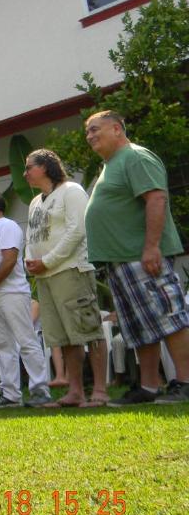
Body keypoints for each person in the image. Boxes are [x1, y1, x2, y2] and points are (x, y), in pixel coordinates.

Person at [83, 111, 189, 404]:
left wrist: (152, 247)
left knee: (170, 318)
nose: (90, 136)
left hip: (142, 256)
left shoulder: (136, 157)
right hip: (122, 261)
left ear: (117, 128)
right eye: (87, 132)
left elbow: (156, 198)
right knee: (141, 326)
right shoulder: (111, 164)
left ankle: (185, 381)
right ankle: (149, 388)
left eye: (95, 129)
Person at [23, 149, 108, 408]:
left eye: (29, 167)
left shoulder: (71, 191)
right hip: (46, 277)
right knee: (64, 337)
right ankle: (75, 392)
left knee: (88, 330)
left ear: (46, 167)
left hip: (71, 271)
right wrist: (30, 261)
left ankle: (100, 391)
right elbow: (30, 235)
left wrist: (47, 260)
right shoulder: (36, 201)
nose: (25, 173)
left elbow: (77, 231)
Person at [0, 191, 51, 408]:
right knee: (1, 343)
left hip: (11, 292)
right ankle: (10, 394)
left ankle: (40, 389)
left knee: (25, 339)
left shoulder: (7, 226)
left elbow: (9, 259)